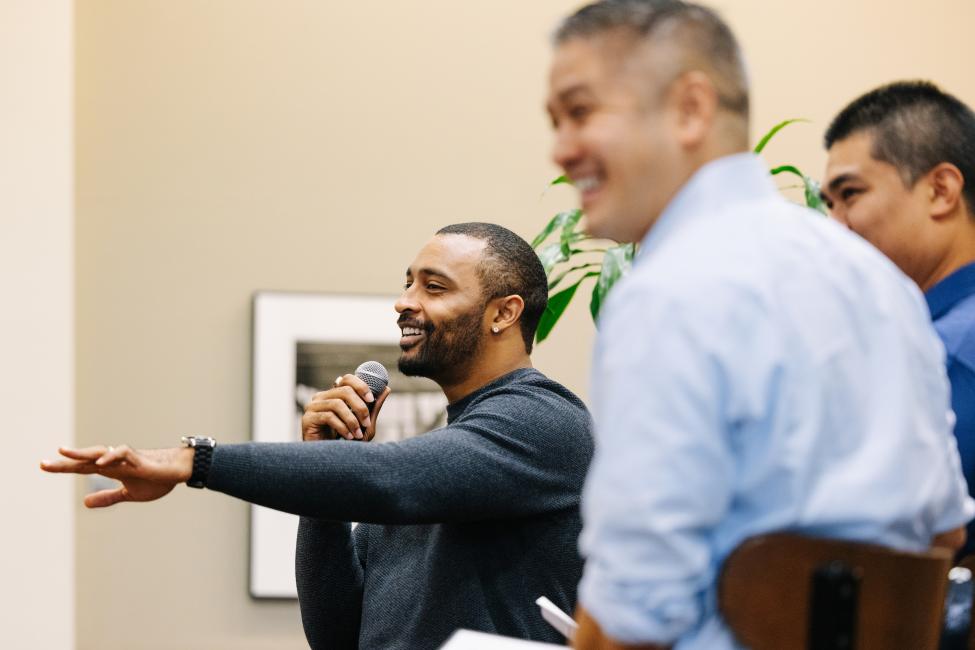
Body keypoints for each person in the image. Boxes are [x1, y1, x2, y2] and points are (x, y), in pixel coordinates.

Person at [544, 1, 974, 648]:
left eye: (580, 112)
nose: (560, 150)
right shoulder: (882, 285)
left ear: (689, 108)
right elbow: (942, 534)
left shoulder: (665, 294)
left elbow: (634, 613)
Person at [41, 222, 594, 650]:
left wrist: (197, 462)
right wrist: (327, 467)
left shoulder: (541, 420)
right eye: (406, 283)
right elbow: (336, 635)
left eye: (434, 287)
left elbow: (393, 481)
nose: (404, 301)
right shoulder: (445, 456)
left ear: (504, 313)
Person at [822, 81, 975, 554]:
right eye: (830, 203)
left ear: (940, 190)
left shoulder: (946, 354)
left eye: (851, 194)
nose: (836, 226)